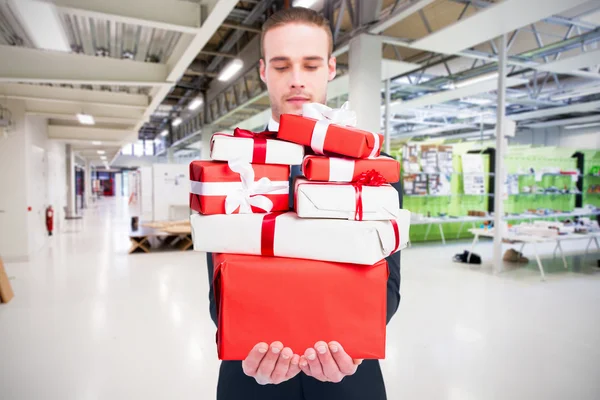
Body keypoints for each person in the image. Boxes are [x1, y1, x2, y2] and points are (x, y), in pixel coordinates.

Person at [205, 7, 402, 400]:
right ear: (263, 70)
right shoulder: (231, 168)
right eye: (281, 66)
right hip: (252, 372)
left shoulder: (373, 171)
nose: (296, 81)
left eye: (310, 65)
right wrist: (251, 335)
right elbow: (218, 287)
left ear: (330, 68)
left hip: (348, 374)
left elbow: (389, 283)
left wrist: (349, 338)